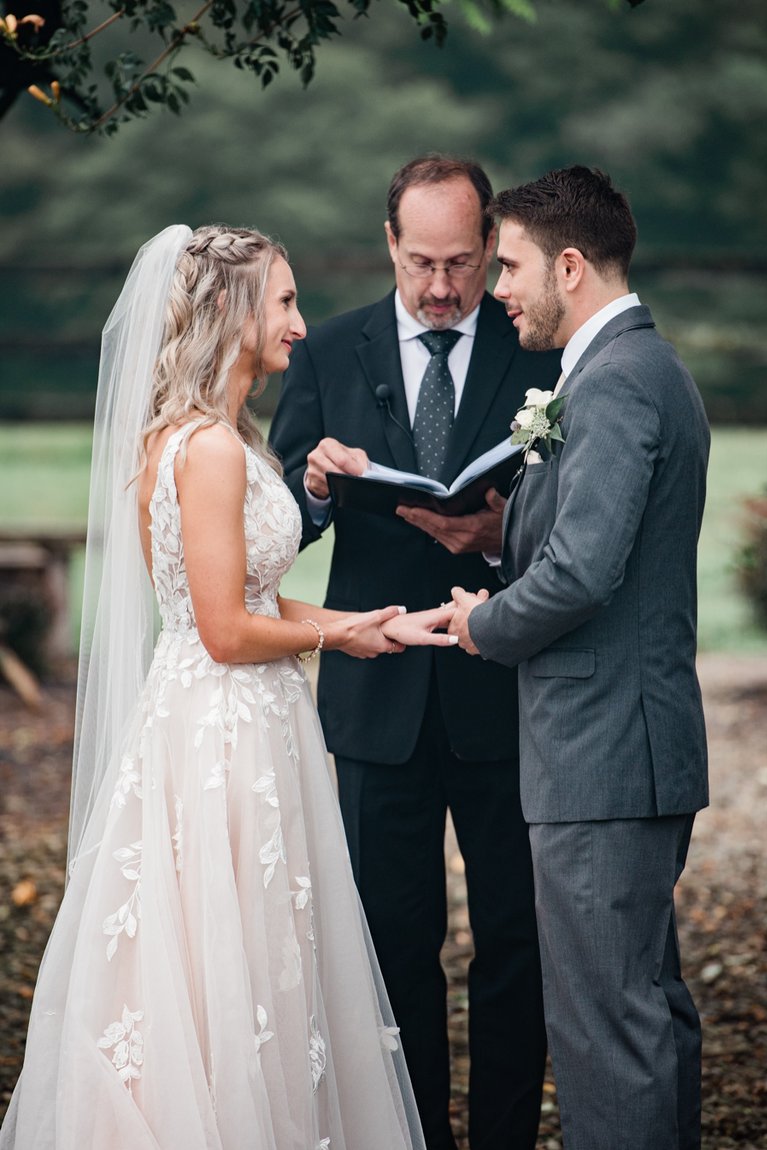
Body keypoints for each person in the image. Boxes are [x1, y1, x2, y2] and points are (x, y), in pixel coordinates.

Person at [0, 224, 450, 1148]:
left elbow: (253, 594)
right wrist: (332, 643)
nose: (301, 322)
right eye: (283, 302)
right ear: (233, 313)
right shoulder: (203, 450)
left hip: (250, 717)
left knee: (260, 962)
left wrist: (365, 625)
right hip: (222, 735)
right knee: (224, 962)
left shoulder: (228, 439)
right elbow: (224, 629)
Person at [270, 154, 556, 1150]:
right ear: (389, 243)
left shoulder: (540, 353)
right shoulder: (332, 350)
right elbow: (277, 528)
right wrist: (310, 488)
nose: (442, 288)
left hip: (503, 689)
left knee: (516, 944)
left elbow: (575, 518)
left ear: (491, 251)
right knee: (393, 947)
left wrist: (500, 535)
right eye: (422, 262)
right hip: (376, 692)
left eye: (463, 264)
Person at [442, 166, 711, 1150]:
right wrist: (497, 533)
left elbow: (586, 572)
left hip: (602, 752)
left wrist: (485, 624)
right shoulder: (616, 373)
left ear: (567, 263)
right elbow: (600, 543)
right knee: (644, 1008)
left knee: (605, 1028)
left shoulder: (619, 382)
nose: (494, 287)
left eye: (506, 265)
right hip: (616, 749)